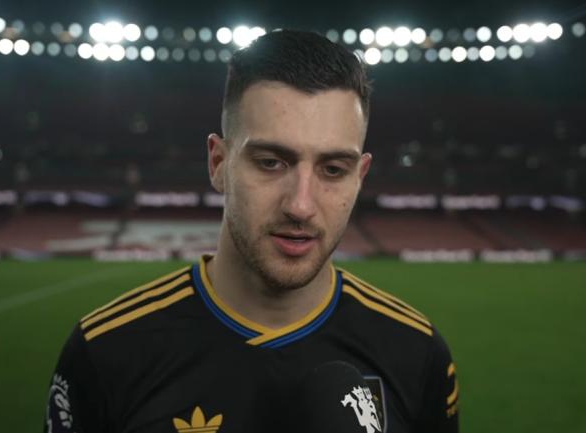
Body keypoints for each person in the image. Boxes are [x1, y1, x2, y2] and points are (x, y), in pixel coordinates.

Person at [45, 29, 459, 433]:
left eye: (334, 170)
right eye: (270, 163)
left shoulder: (417, 353)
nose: (300, 205)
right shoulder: (105, 352)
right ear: (218, 163)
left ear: (360, 177)